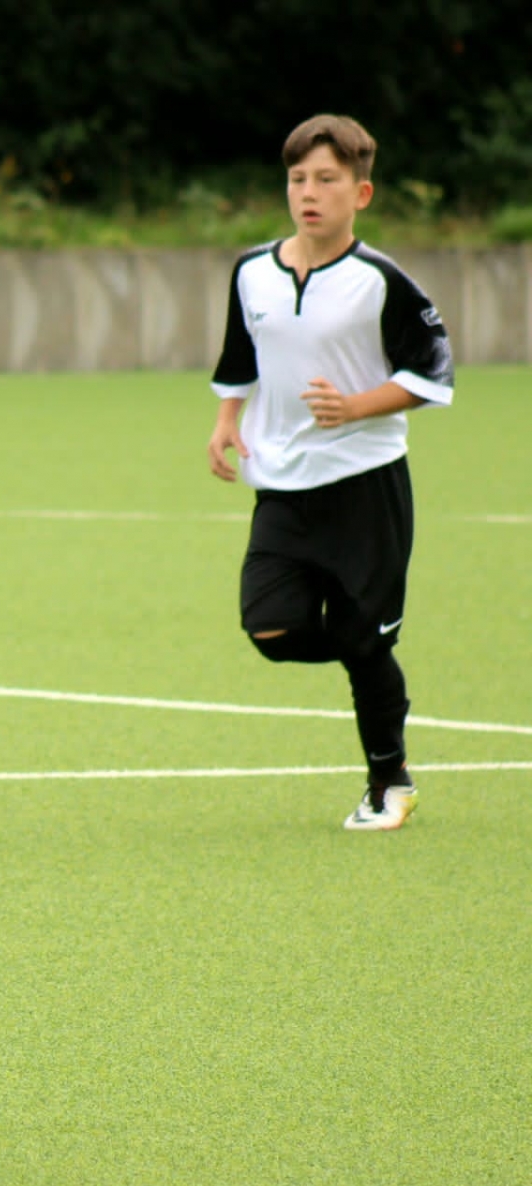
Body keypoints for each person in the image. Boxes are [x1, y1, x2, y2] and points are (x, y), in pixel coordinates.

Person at [208, 113, 455, 831]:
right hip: (282, 482)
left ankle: (391, 782)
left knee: (365, 640)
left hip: (365, 484)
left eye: (326, 180)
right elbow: (240, 357)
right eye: (297, 179)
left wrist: (354, 407)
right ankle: (364, 647)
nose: (308, 193)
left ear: (361, 193)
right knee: (270, 626)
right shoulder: (252, 271)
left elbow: (432, 375)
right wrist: (227, 421)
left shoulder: (382, 282)